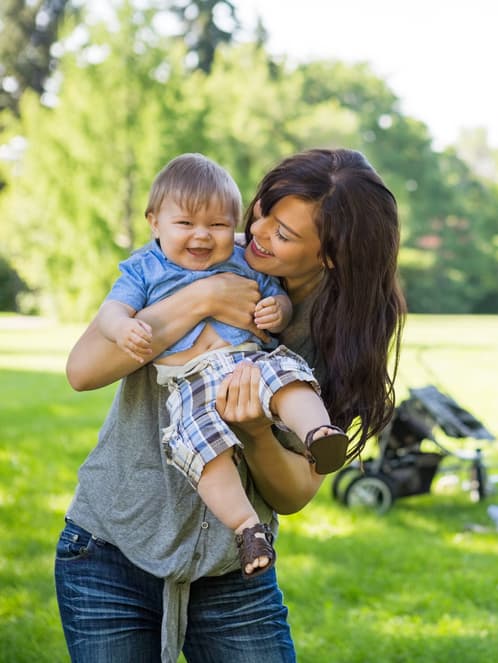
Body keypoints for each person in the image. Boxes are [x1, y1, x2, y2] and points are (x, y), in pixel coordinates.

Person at [57, 148, 405, 662]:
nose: (256, 233)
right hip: (111, 550)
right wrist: (205, 298)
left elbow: (295, 493)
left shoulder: (341, 336)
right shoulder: (203, 253)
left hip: (233, 569)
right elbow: (83, 370)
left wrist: (257, 434)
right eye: (262, 210)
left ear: (330, 254)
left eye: (283, 234)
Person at [93, 153, 348, 579]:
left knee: (289, 379)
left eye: (218, 225)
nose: (202, 236)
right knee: (202, 449)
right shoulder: (145, 267)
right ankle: (247, 529)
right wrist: (123, 329)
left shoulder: (242, 259)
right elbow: (109, 314)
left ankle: (318, 433)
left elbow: (275, 297)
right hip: (188, 383)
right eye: (186, 224)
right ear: (154, 221)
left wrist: (278, 313)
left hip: (247, 362)